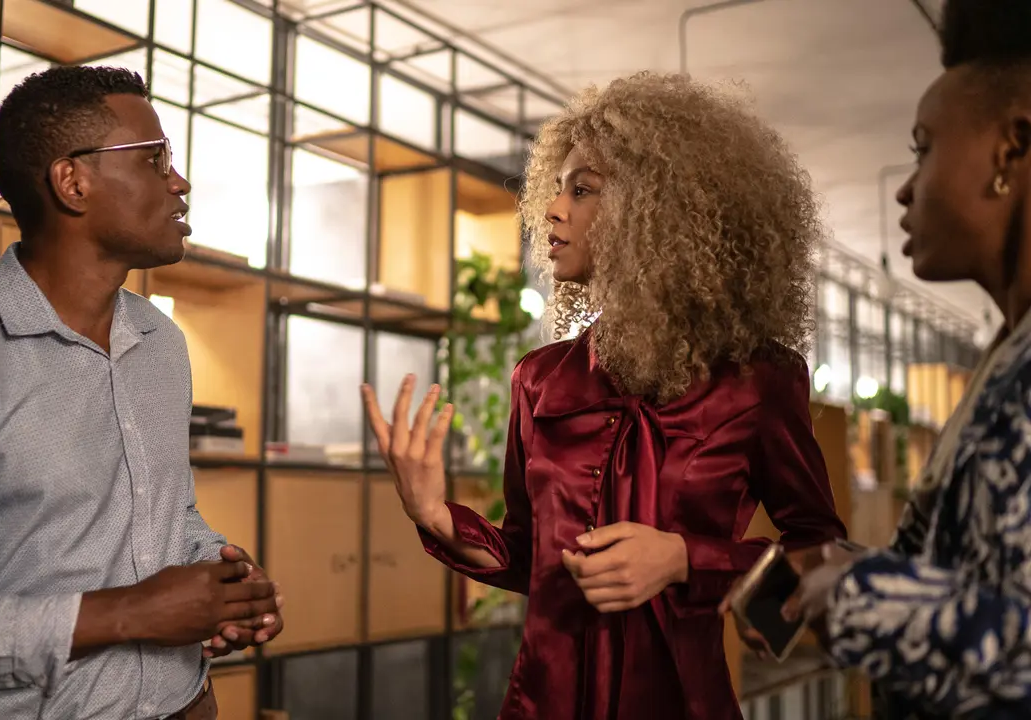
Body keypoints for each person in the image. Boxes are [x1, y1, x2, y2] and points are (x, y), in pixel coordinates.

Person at [362, 72, 848, 720]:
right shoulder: (540, 381)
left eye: (582, 189)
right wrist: (432, 514)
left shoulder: (759, 383)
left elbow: (821, 558)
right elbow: (527, 558)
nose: (552, 211)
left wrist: (688, 563)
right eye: (557, 189)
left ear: (660, 210)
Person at [0, 65, 282, 719]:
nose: (179, 181)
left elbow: (167, 514)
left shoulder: (163, 343)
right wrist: (130, 613)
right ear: (72, 182)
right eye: (155, 158)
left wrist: (220, 571)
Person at [776, 1, 1031, 717]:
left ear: (1010, 150)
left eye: (924, 148)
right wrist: (859, 569)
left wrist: (861, 598)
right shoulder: (1003, 358)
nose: (904, 186)